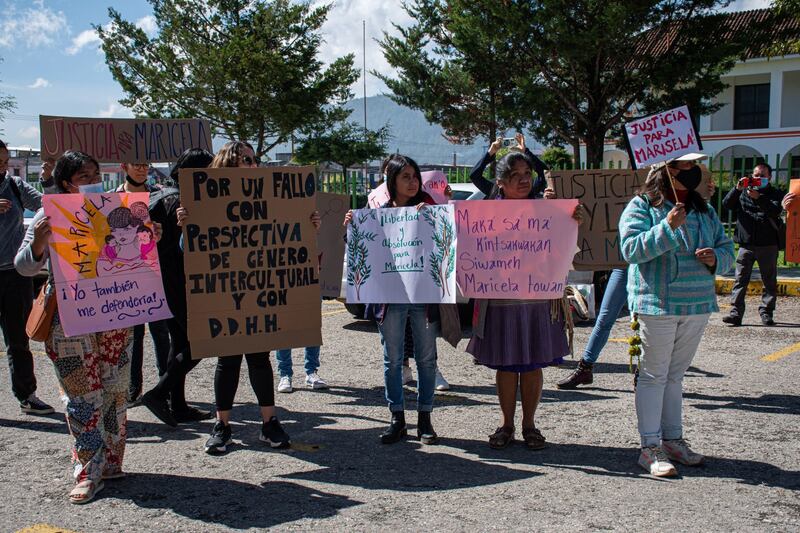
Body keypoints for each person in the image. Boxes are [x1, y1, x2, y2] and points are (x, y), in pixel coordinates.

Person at [15, 150, 161, 503]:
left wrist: (148, 239)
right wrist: (38, 242)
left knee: (114, 391)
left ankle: (111, 462)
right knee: (82, 398)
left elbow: (130, 259)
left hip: (114, 318)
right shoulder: (50, 216)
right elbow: (23, 267)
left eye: (96, 174)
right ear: (66, 182)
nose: (93, 181)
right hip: (70, 321)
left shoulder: (116, 212)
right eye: (84, 176)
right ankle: (87, 472)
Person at [191, 141, 320, 454]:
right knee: (228, 359)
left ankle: (269, 422)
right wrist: (187, 226)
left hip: (259, 291)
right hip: (226, 291)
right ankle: (222, 425)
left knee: (260, 358)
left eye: (253, 159)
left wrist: (309, 225)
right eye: (244, 160)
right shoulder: (204, 203)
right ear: (227, 166)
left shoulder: (272, 198)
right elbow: (189, 252)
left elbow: (291, 240)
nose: (251, 165)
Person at [558, 159, 718, 389]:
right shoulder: (640, 201)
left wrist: (702, 193)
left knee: (645, 322)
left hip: (651, 273)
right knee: (605, 317)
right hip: (623, 266)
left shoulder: (675, 200)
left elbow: (693, 220)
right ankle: (586, 366)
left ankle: (643, 372)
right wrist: (555, 197)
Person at [619, 156, 734, 477]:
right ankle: (650, 447)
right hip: (656, 304)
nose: (696, 169)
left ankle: (672, 440)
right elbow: (629, 250)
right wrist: (666, 227)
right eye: (687, 164)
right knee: (654, 375)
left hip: (697, 304)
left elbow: (728, 251)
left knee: (675, 375)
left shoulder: (704, 210)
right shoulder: (642, 206)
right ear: (668, 170)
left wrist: (716, 258)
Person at [466, 149, 583, 450]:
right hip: (501, 301)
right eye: (515, 176)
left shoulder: (547, 211)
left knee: (532, 365)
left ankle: (529, 424)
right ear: (501, 182)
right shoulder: (486, 214)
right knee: (506, 365)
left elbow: (566, 249)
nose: (522, 181)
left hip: (537, 300)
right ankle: (506, 424)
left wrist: (572, 222)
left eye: (526, 175)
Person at [344, 155, 441, 445]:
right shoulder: (377, 214)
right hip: (390, 299)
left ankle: (425, 418)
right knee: (392, 360)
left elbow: (448, 245)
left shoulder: (429, 209)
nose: (413, 182)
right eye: (406, 177)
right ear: (392, 181)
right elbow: (360, 249)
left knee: (426, 359)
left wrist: (432, 220)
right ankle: (396, 417)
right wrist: (350, 226)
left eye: (415, 176)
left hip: (422, 297)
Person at [139, 148, 215, 425]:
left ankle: (179, 405)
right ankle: (158, 394)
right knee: (202, 341)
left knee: (181, 342)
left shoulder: (160, 194)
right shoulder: (180, 202)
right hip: (180, 283)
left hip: (162, 282)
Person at [0, 140, 54, 415]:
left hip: (14, 273)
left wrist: (49, 179)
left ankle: (26, 394)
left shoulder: (15, 186)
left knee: (18, 339)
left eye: (5, 161)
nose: (2, 167)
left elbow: (50, 206)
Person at [115, 162, 171, 403]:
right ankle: (132, 389)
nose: (141, 169)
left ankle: (165, 386)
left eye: (144, 165)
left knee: (161, 334)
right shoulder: (111, 199)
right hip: (125, 278)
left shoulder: (158, 194)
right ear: (124, 166)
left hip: (154, 275)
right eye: (136, 165)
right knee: (133, 337)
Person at [721, 163, 785, 326]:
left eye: (763, 176)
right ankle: (735, 313)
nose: (758, 178)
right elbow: (727, 204)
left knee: (769, 280)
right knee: (740, 279)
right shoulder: (743, 192)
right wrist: (737, 188)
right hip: (746, 244)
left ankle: (766, 312)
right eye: (756, 175)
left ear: (769, 177)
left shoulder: (775, 193)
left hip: (768, 244)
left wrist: (760, 198)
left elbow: (776, 211)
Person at [470, 133, 550, 199]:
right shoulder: (493, 192)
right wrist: (491, 152)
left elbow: (545, 174)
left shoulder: (531, 192)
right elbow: (475, 176)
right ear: (500, 182)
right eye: (515, 174)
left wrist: (525, 151)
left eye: (527, 173)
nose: (524, 180)